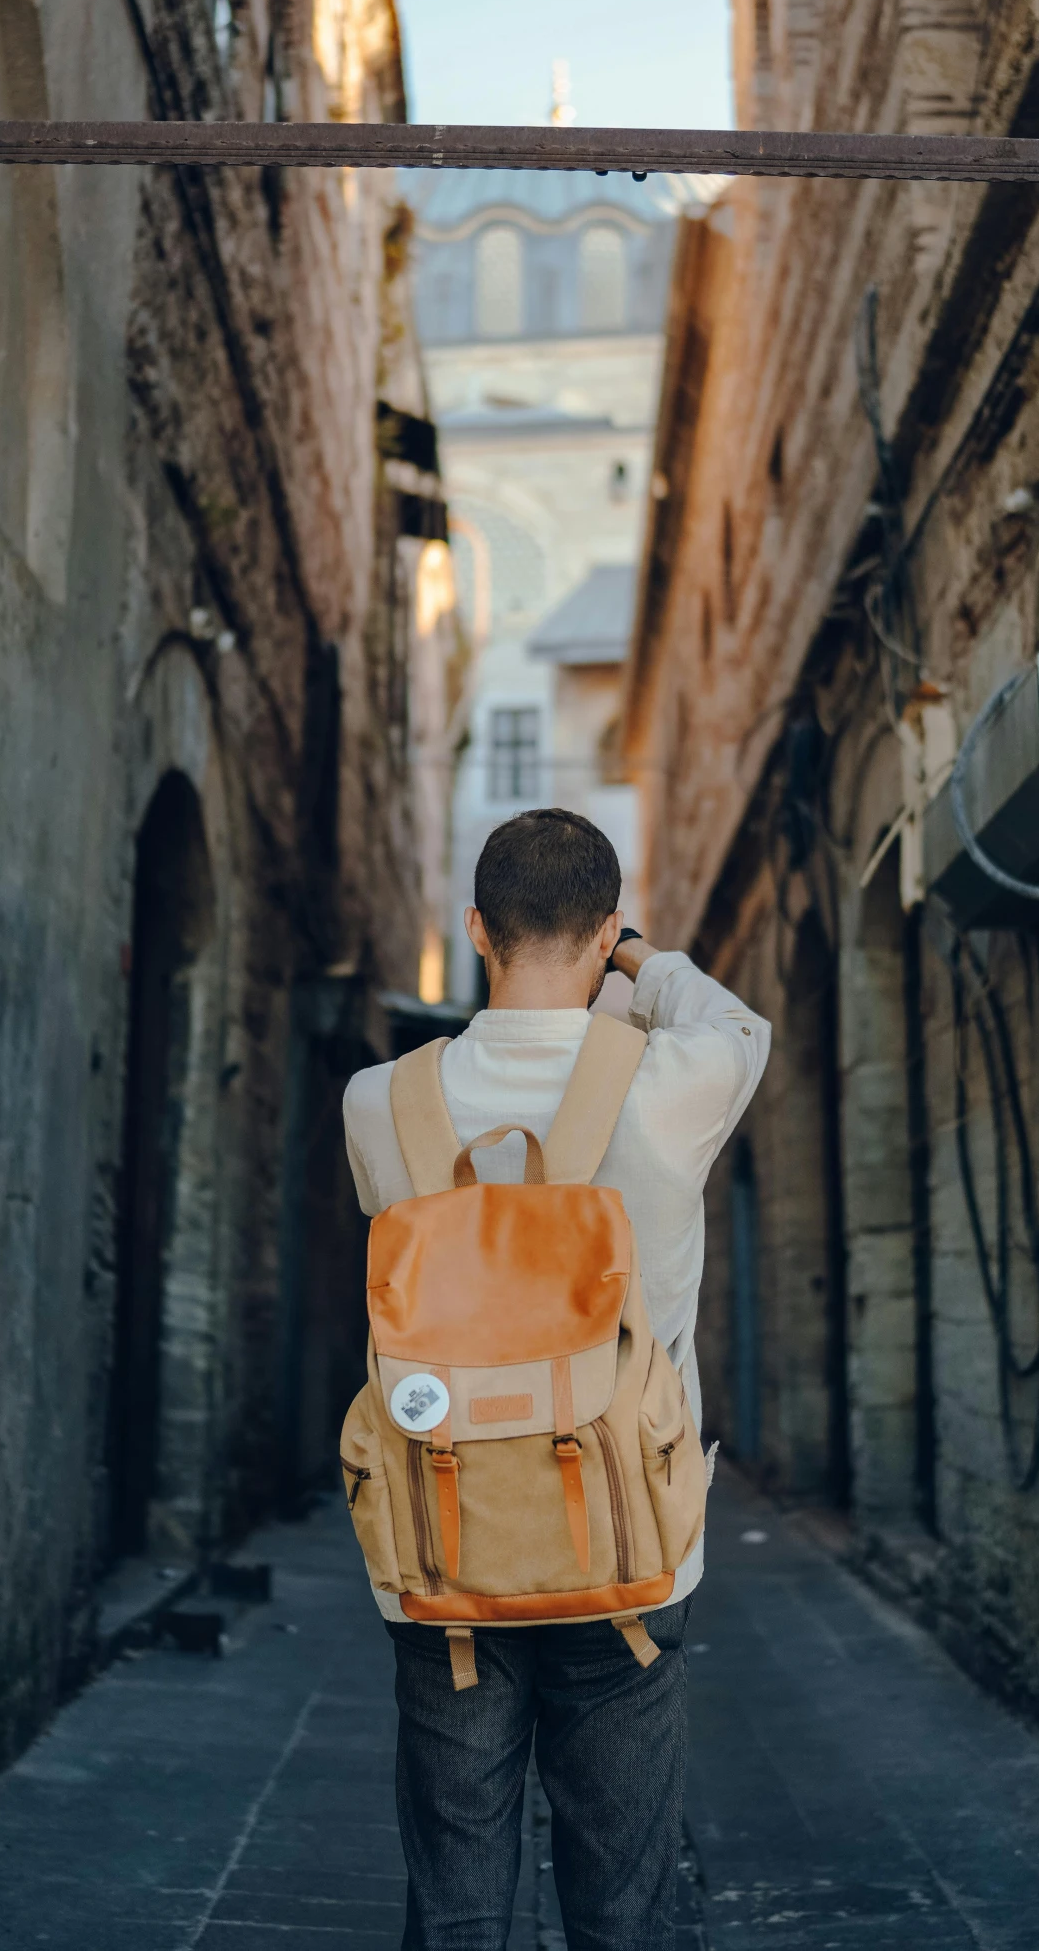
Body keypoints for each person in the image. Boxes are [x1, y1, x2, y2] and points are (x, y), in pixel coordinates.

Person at [343, 806, 770, 1951]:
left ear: (474, 927)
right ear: (605, 930)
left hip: (443, 1545)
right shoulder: (677, 1079)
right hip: (628, 1554)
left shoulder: (377, 1101)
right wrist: (638, 964)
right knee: (624, 1898)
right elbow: (740, 1023)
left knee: (457, 1895)